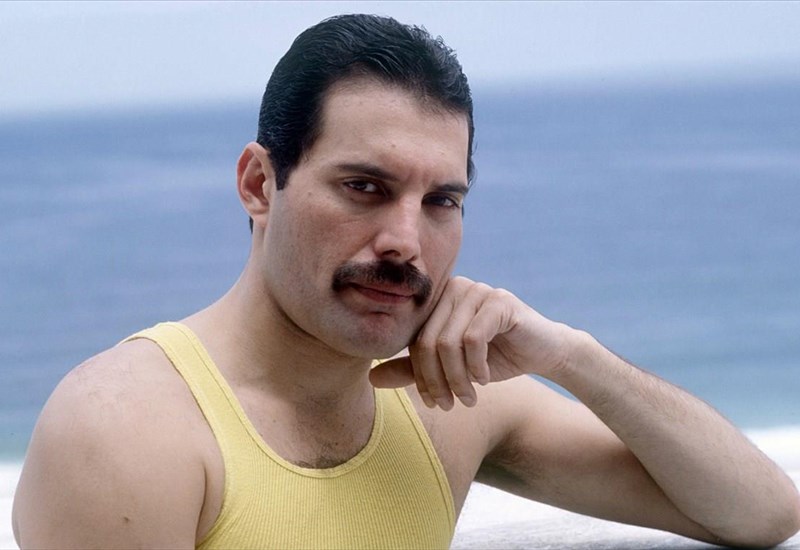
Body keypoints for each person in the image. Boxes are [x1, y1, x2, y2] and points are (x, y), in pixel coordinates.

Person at [12, 13, 800, 550]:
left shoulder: (449, 407)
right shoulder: (129, 430)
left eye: (441, 201)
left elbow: (760, 512)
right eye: (364, 187)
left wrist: (571, 356)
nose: (405, 241)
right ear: (259, 184)